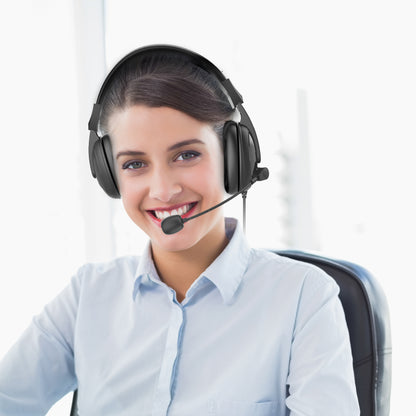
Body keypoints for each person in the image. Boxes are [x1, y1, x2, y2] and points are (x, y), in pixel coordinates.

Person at [0, 45, 359, 415]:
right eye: (135, 163)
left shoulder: (303, 298)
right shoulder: (87, 297)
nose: (163, 190)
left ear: (235, 158)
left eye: (186, 155)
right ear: (110, 177)